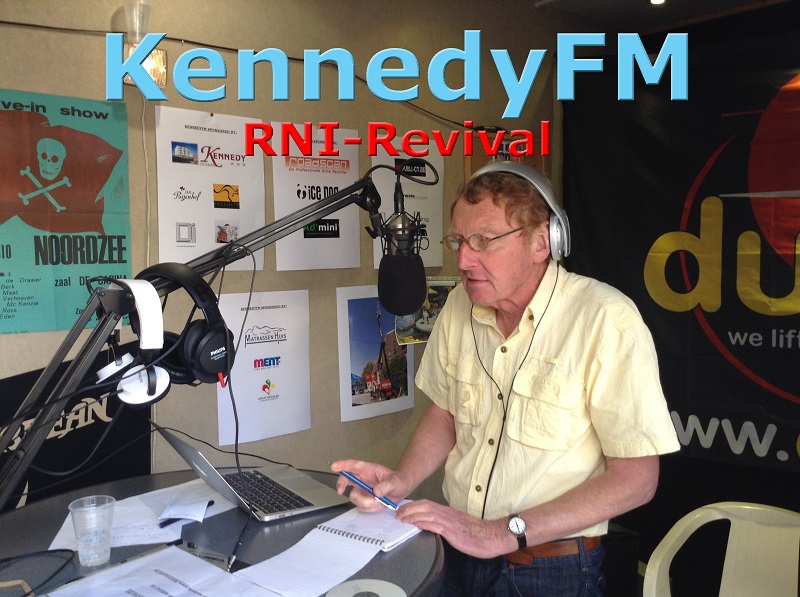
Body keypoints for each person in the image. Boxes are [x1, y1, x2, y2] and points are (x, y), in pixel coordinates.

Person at [332, 161, 680, 596]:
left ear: (542, 242)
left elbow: (637, 480)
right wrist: (401, 480)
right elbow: (445, 414)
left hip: (549, 568)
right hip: (456, 549)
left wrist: (503, 532)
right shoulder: (458, 305)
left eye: (483, 240)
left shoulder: (607, 321)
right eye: (459, 241)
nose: (463, 259)